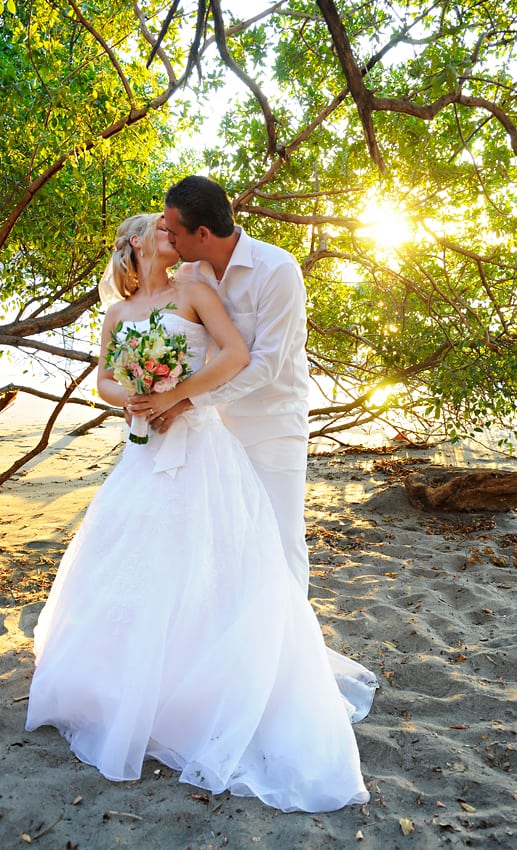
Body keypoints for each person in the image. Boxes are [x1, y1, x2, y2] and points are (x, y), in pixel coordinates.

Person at [25, 212, 377, 813]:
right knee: (137, 558)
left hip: (201, 440)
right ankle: (134, 688)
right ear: (133, 244)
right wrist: (134, 397)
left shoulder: (195, 288)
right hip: (145, 446)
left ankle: (220, 686)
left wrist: (175, 394)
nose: (167, 232)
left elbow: (237, 353)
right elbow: (104, 382)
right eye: (155, 228)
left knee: (210, 554)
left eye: (173, 227)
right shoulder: (116, 314)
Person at [130, 176, 311, 595]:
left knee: (281, 534)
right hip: (213, 429)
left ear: (203, 234)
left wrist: (187, 400)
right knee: (229, 536)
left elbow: (265, 365)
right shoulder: (192, 272)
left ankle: (290, 648)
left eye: (174, 232)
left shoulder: (277, 270)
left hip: (273, 423)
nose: (169, 239)